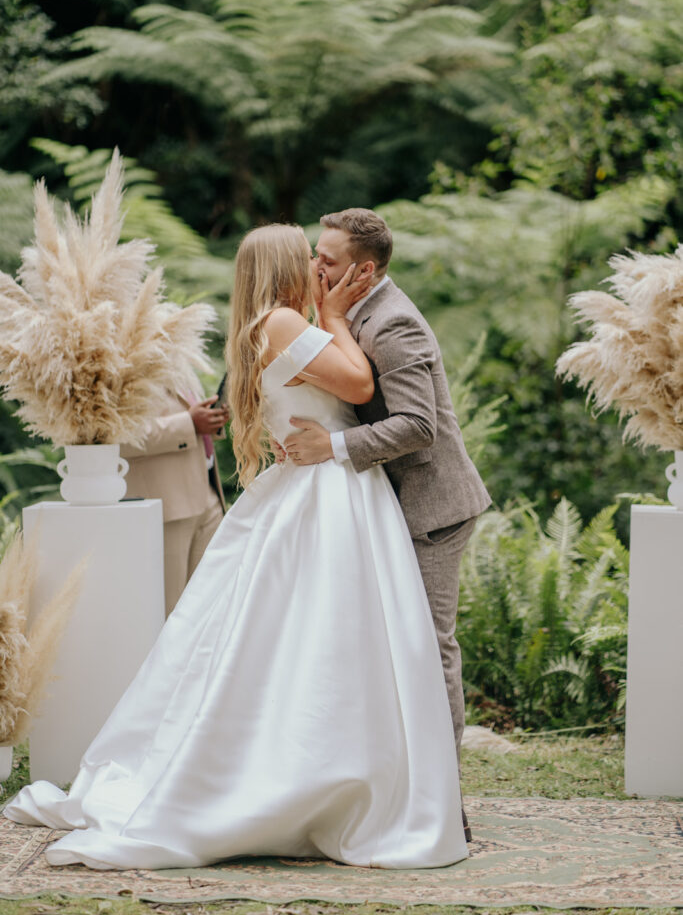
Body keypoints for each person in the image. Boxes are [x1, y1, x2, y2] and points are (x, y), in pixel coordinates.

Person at [4, 224, 468, 871]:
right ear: (283, 266)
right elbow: (359, 387)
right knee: (324, 638)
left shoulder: (268, 324)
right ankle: (313, 786)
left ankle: (360, 774)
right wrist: (333, 313)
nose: (316, 264)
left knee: (335, 641)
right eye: (307, 256)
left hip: (332, 489)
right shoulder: (282, 323)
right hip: (325, 494)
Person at [283, 208, 491, 840]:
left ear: (363, 269)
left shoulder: (394, 322)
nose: (315, 267)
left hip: (431, 511)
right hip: (381, 508)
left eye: (327, 260)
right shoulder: (345, 313)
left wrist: (333, 449)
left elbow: (419, 426)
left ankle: (443, 801)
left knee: (428, 650)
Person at [121, 391, 228, 616]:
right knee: (172, 611)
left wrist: (212, 419)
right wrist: (188, 423)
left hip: (208, 499)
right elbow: (116, 437)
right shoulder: (121, 365)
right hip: (168, 508)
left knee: (211, 606)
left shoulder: (182, 360)